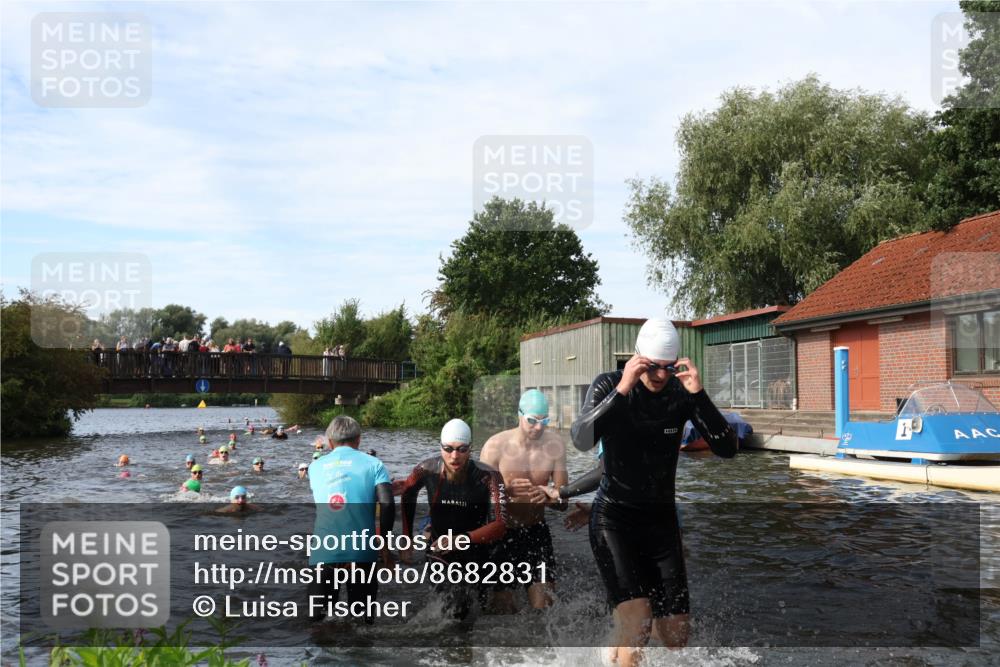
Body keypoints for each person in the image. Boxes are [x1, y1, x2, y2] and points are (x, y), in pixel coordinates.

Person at [569, 318, 737, 663]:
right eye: (652, 367)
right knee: (639, 625)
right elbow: (581, 439)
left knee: (676, 637)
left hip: (660, 523)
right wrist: (622, 389)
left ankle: (617, 646)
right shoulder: (609, 383)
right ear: (637, 358)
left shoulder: (681, 393)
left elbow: (728, 449)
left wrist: (699, 395)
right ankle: (626, 638)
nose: (660, 375)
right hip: (614, 519)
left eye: (668, 367)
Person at [398, 418, 508, 620]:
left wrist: (461, 539)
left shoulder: (488, 475)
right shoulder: (426, 469)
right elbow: (407, 494)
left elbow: (500, 525)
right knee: (452, 611)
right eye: (448, 449)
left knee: (476, 612)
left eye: (461, 449)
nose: (454, 456)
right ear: (440, 447)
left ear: (470, 449)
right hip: (440, 549)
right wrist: (406, 539)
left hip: (476, 550)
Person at [480, 389, 567, 611]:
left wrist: (548, 498)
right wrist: (505, 492)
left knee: (545, 608)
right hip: (502, 534)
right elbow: (479, 501)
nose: (538, 427)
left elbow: (563, 501)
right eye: (532, 421)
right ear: (519, 415)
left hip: (536, 532)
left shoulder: (555, 446)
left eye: (544, 421)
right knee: (503, 609)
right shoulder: (494, 447)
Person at [306, 416, 394, 624]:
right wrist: (385, 544)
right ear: (359, 439)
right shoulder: (375, 464)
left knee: (318, 621)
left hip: (324, 551)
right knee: (363, 621)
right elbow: (388, 504)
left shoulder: (314, 467)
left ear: (329, 442)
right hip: (362, 550)